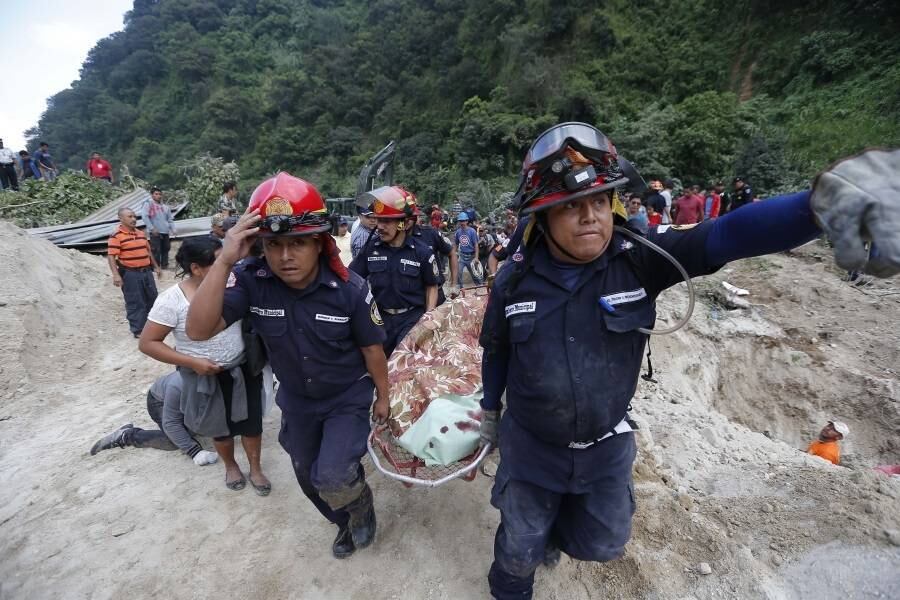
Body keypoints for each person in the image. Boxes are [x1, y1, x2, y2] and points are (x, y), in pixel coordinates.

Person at [477, 122, 899, 600]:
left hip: (604, 448)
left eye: (598, 201)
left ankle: (552, 535)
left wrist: (815, 205)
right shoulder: (514, 281)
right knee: (519, 549)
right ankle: (513, 582)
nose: (590, 216)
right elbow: (497, 350)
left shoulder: (640, 258)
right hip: (532, 448)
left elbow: (727, 233)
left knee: (602, 543)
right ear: (543, 216)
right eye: (570, 206)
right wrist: (490, 413)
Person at [185, 172, 390, 558]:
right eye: (274, 244)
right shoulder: (252, 281)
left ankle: (360, 504)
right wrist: (225, 259)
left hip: (345, 397)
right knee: (308, 476)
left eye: (297, 243)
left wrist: (383, 396)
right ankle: (343, 522)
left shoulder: (349, 289)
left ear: (319, 242)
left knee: (332, 475)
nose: (284, 256)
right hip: (297, 400)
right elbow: (198, 330)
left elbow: (372, 349)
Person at [139, 236, 270, 494]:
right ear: (196, 268)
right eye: (219, 261)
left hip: (242, 368)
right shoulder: (172, 300)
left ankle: (255, 468)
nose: (228, 265)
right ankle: (231, 466)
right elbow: (148, 343)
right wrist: (191, 362)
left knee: (252, 423)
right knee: (219, 428)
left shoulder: (232, 283)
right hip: (202, 376)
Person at [350, 185, 440, 356]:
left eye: (386, 221)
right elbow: (352, 278)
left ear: (403, 224)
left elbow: (432, 286)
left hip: (411, 319)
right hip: (380, 319)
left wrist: (427, 320)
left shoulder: (422, 252)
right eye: (378, 220)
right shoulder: (371, 249)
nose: (380, 226)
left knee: (402, 362)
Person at [88, 371, 219, 466]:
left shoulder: (217, 378)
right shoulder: (178, 386)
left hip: (187, 401)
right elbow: (171, 423)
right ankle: (127, 435)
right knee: (177, 440)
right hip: (158, 402)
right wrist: (194, 451)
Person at [107, 207, 160, 337]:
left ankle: (153, 326)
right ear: (121, 219)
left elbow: (148, 251)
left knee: (152, 298)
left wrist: (156, 267)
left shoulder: (141, 233)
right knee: (135, 301)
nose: (134, 219)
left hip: (146, 272)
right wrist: (116, 275)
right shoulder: (116, 236)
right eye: (130, 217)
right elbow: (111, 256)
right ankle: (138, 330)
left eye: (134, 216)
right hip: (130, 274)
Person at [410, 206, 459, 302]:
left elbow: (452, 253)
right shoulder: (394, 240)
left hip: (436, 292)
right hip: (413, 296)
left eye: (413, 217)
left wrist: (453, 285)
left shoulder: (431, 233)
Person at [142, 187, 176, 269]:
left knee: (166, 248)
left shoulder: (165, 207)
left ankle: (164, 266)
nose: (158, 196)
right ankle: (155, 267)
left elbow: (170, 220)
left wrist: (173, 229)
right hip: (155, 231)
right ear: (152, 195)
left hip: (165, 231)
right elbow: (145, 216)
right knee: (156, 250)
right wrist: (152, 228)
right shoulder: (148, 204)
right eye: (156, 194)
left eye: (160, 194)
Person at [454, 213, 482, 286]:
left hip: (471, 256)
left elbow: (476, 245)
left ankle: (479, 286)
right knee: (458, 272)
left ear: (467, 221)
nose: (462, 223)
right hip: (462, 256)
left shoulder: (472, 231)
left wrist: (476, 257)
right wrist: (454, 254)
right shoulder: (458, 232)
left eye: (463, 221)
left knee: (475, 274)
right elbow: (456, 244)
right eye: (460, 221)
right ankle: (460, 288)